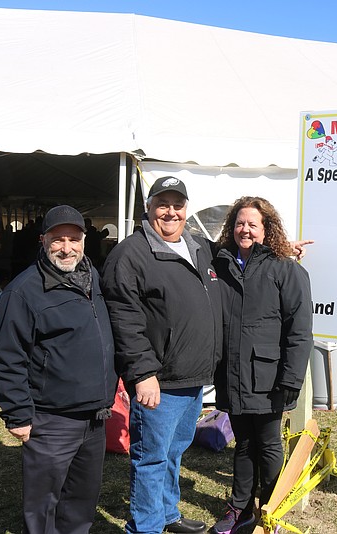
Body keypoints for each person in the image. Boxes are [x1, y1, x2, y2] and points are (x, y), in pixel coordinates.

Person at [101, 176, 222, 534]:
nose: (170, 212)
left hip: (193, 375)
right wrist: (142, 373)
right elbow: (123, 319)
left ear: (187, 209)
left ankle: (167, 512)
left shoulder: (199, 246)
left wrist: (279, 250)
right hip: (159, 379)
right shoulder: (131, 254)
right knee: (151, 456)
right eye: (162, 204)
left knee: (174, 449)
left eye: (178, 205)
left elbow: (239, 261)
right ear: (149, 207)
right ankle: (145, 526)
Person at [0, 205, 118, 534]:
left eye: (73, 239)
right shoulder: (23, 291)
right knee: (43, 504)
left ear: (85, 241)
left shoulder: (93, 278)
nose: (66, 247)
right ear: (43, 241)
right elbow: (8, 356)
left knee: (81, 501)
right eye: (58, 239)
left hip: (95, 416)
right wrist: (17, 414)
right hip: (51, 419)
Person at [209, 197, 313, 534]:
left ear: (267, 229)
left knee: (268, 444)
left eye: (253, 224)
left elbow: (300, 329)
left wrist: (292, 378)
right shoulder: (221, 264)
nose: (245, 229)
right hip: (233, 372)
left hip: (269, 376)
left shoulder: (286, 269)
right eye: (240, 223)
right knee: (243, 442)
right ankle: (241, 508)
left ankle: (271, 507)